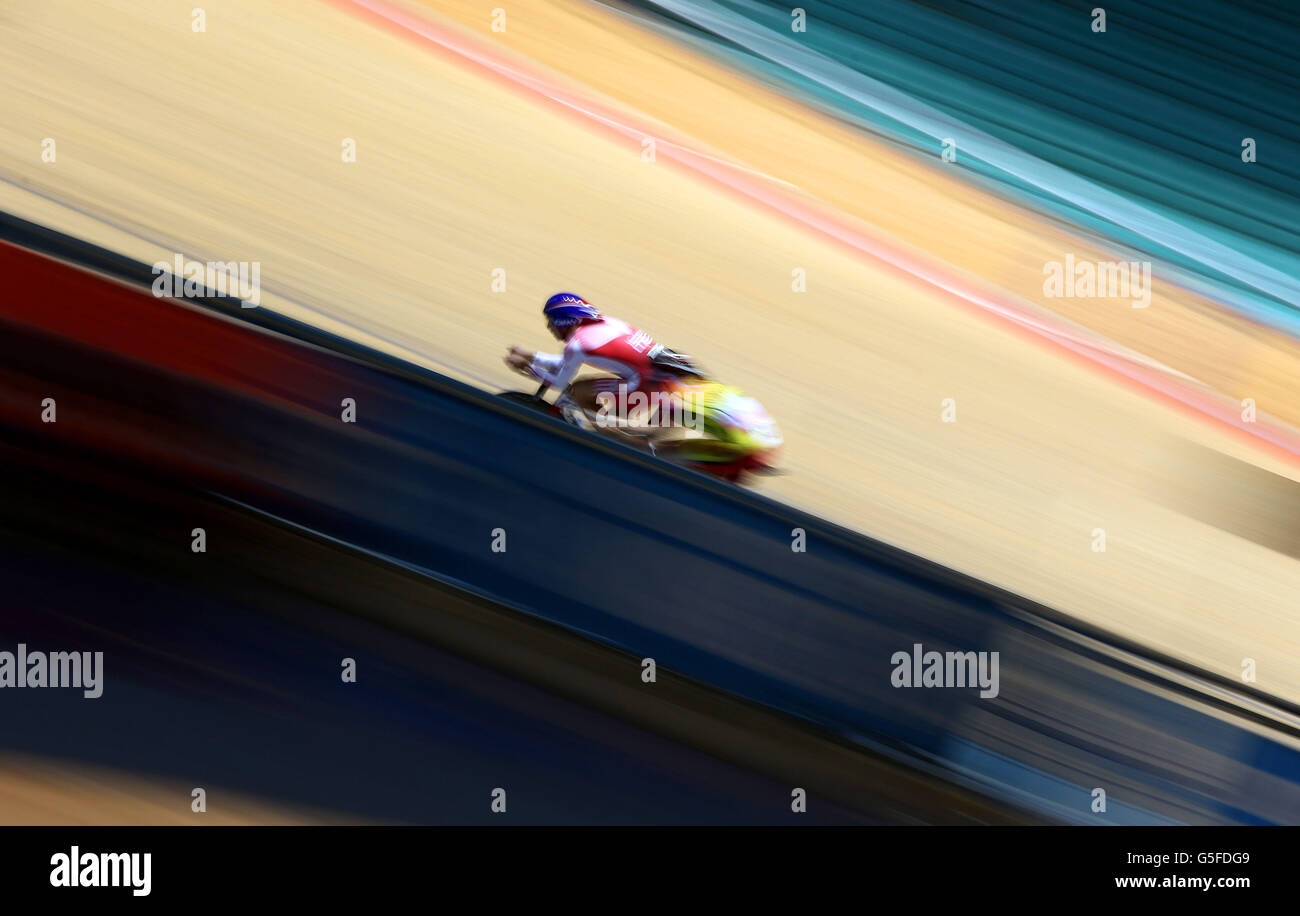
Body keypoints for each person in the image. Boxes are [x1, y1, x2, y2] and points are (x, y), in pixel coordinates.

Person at [506, 292, 782, 476]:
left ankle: (606, 438)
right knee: (655, 436)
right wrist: (532, 357)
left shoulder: (578, 343)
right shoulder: (608, 324)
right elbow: (564, 364)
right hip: (665, 379)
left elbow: (559, 380)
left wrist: (528, 366)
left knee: (579, 390)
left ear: (563, 320)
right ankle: (611, 436)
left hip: (654, 387)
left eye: (550, 322)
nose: (548, 328)